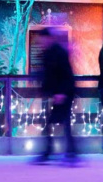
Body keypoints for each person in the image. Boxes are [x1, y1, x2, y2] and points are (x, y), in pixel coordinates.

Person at [34, 27, 77, 164]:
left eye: (42, 40)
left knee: (61, 122)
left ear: (49, 39)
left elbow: (65, 75)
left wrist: (61, 92)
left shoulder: (58, 52)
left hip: (63, 94)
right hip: (57, 93)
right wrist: (45, 89)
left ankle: (67, 152)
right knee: (57, 122)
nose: (41, 43)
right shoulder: (49, 53)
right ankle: (64, 152)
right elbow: (48, 74)